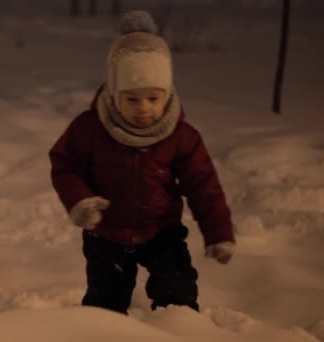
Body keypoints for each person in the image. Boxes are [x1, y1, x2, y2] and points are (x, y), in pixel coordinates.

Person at [48, 11, 236, 315]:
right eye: (131, 99)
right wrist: (80, 200)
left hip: (161, 231)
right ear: (113, 92)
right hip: (106, 234)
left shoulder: (179, 135)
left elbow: (204, 185)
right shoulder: (91, 128)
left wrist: (219, 233)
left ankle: (177, 332)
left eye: (153, 98)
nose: (144, 109)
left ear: (168, 93)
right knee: (104, 306)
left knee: (177, 297)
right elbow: (65, 164)